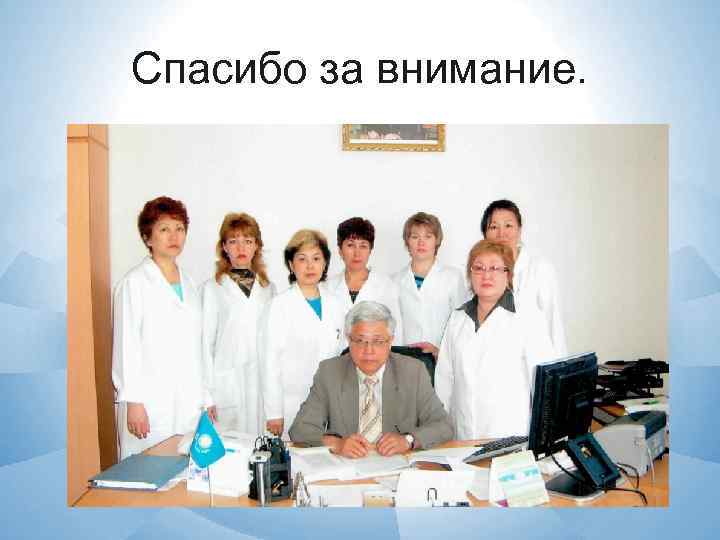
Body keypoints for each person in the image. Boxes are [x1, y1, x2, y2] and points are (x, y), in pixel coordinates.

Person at [112, 196, 210, 459]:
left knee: (185, 468)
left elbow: (198, 347)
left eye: (179, 228)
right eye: (164, 229)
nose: (174, 236)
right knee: (147, 469)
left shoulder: (190, 284)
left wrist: (206, 397)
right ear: (148, 237)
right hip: (151, 401)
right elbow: (126, 346)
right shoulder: (134, 283)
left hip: (188, 398)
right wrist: (133, 401)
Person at [289, 301, 453, 457]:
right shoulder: (330, 372)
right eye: (360, 341)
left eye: (378, 341)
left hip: (398, 466)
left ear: (390, 341)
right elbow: (300, 428)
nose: (368, 350)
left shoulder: (413, 371)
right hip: (348, 467)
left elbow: (443, 425)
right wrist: (337, 444)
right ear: (349, 339)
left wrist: (408, 440)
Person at [435, 240, 556, 440]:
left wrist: (543, 439)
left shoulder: (529, 317)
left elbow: (545, 385)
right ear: (470, 275)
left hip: (510, 435)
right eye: (478, 268)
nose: (486, 275)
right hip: (463, 435)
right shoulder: (457, 318)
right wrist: (442, 429)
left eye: (495, 268)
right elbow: (444, 379)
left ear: (508, 274)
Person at [260, 229, 346, 438]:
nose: (310, 266)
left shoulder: (336, 304)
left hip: (330, 402)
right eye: (302, 259)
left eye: (316, 258)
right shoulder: (279, 306)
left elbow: (342, 353)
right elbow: (270, 362)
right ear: (291, 265)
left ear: (325, 263)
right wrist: (274, 413)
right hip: (291, 404)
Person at [201, 212, 275, 435]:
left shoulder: (268, 289)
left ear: (256, 246)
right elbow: (205, 344)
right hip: (226, 383)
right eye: (233, 241)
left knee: (259, 445)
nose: (241, 248)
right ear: (224, 247)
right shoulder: (212, 289)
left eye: (248, 241)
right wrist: (207, 396)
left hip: (260, 383)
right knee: (229, 446)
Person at [481, 199, 567, 355]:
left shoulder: (540, 268)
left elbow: (554, 322)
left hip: (536, 361)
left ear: (519, 230)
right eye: (494, 227)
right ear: (485, 235)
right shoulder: (480, 274)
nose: (501, 233)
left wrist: (560, 367)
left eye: (508, 225)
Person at [392, 212, 469, 358]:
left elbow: (461, 324)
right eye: (415, 237)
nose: (421, 242)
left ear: (437, 241)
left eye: (428, 236)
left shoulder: (453, 277)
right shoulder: (395, 281)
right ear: (407, 242)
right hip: (405, 359)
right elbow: (392, 327)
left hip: (442, 359)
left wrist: (442, 354)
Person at [326, 217, 404, 343]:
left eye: (363, 246)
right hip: (336, 355)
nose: (357, 253)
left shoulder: (386, 286)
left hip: (373, 354)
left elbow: (396, 334)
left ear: (370, 250)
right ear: (340, 250)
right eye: (350, 245)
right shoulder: (327, 287)